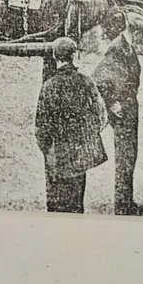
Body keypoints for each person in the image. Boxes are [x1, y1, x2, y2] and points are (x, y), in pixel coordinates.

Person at [34, 36, 108, 213]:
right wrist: (87, 136)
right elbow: (102, 116)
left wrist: (47, 149)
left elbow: (40, 127)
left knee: (55, 203)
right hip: (79, 155)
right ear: (74, 55)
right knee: (76, 203)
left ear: (55, 57)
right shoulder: (86, 81)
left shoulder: (49, 86)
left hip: (56, 155)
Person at [93, 12, 143, 215]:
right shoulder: (117, 49)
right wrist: (112, 103)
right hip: (122, 113)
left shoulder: (125, 46)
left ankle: (126, 202)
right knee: (125, 159)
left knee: (129, 157)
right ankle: (122, 206)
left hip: (128, 110)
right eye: (142, 36)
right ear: (134, 32)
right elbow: (99, 79)